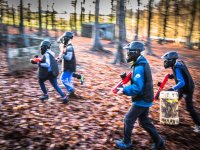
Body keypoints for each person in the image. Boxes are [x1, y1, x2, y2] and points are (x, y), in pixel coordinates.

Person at [115, 41, 165, 150]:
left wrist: (124, 90)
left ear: (136, 52)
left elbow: (137, 87)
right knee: (144, 122)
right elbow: (139, 82)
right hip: (146, 98)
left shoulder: (139, 67)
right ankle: (159, 141)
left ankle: (126, 143)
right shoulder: (140, 63)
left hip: (142, 99)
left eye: (129, 51)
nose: (127, 54)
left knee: (128, 119)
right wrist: (126, 80)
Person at [161, 51, 200, 132]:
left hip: (187, 89)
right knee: (172, 100)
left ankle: (199, 124)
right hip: (183, 88)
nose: (165, 62)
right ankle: (169, 119)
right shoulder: (178, 64)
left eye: (166, 60)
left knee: (189, 108)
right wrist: (172, 76)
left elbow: (182, 82)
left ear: (171, 60)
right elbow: (181, 75)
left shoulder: (177, 67)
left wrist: (173, 88)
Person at [56, 32, 82, 98]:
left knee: (63, 79)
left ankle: (72, 90)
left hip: (69, 66)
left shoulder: (69, 47)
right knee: (68, 80)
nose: (64, 39)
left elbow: (68, 57)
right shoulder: (67, 45)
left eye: (65, 37)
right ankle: (71, 93)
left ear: (67, 38)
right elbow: (59, 41)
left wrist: (62, 55)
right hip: (69, 66)